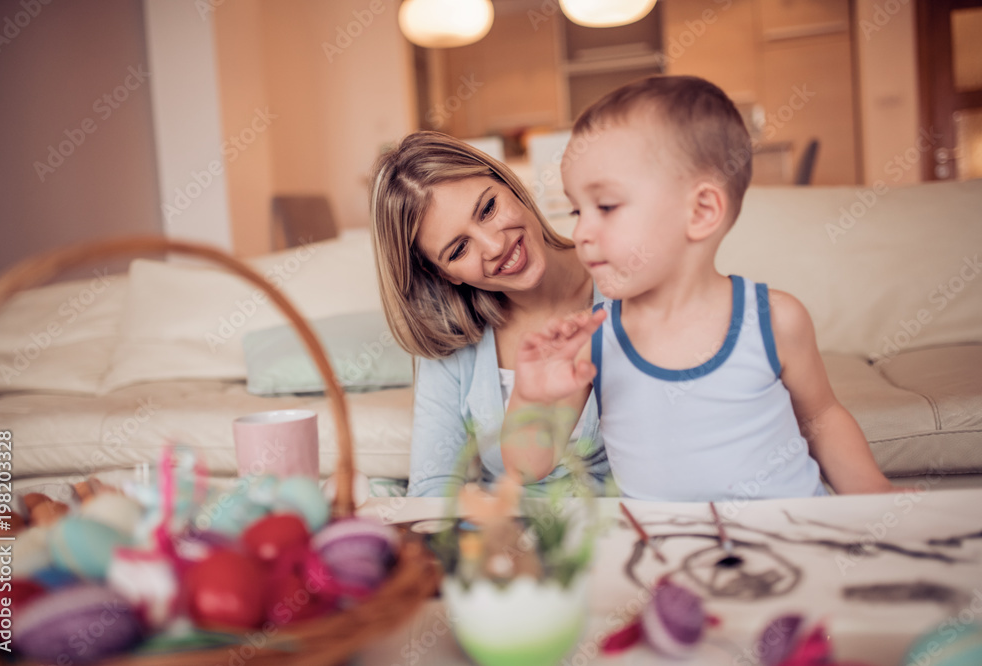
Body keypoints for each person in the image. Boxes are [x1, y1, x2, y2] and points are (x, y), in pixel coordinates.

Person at [503, 75, 895, 501]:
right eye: (577, 211)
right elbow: (527, 468)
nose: (581, 232)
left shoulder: (774, 319)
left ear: (702, 211)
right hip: (664, 542)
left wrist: (873, 492)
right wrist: (530, 397)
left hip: (788, 529)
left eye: (607, 206)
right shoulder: (592, 339)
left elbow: (822, 417)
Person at [368, 131, 610, 496]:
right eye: (458, 249)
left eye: (487, 209)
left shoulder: (624, 280)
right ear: (443, 273)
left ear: (508, 183)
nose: (495, 246)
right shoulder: (455, 339)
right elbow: (432, 489)